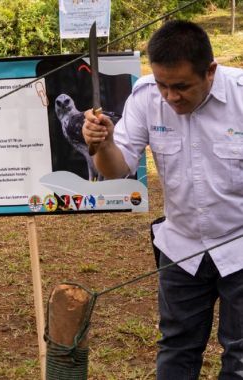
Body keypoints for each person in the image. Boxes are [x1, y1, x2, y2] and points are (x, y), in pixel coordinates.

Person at [82, 20, 243, 378]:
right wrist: (103, 143)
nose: (170, 96)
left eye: (182, 86)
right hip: (182, 247)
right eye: (163, 85)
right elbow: (115, 169)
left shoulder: (241, 96)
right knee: (176, 348)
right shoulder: (145, 97)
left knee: (241, 354)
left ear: (210, 71)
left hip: (240, 246)